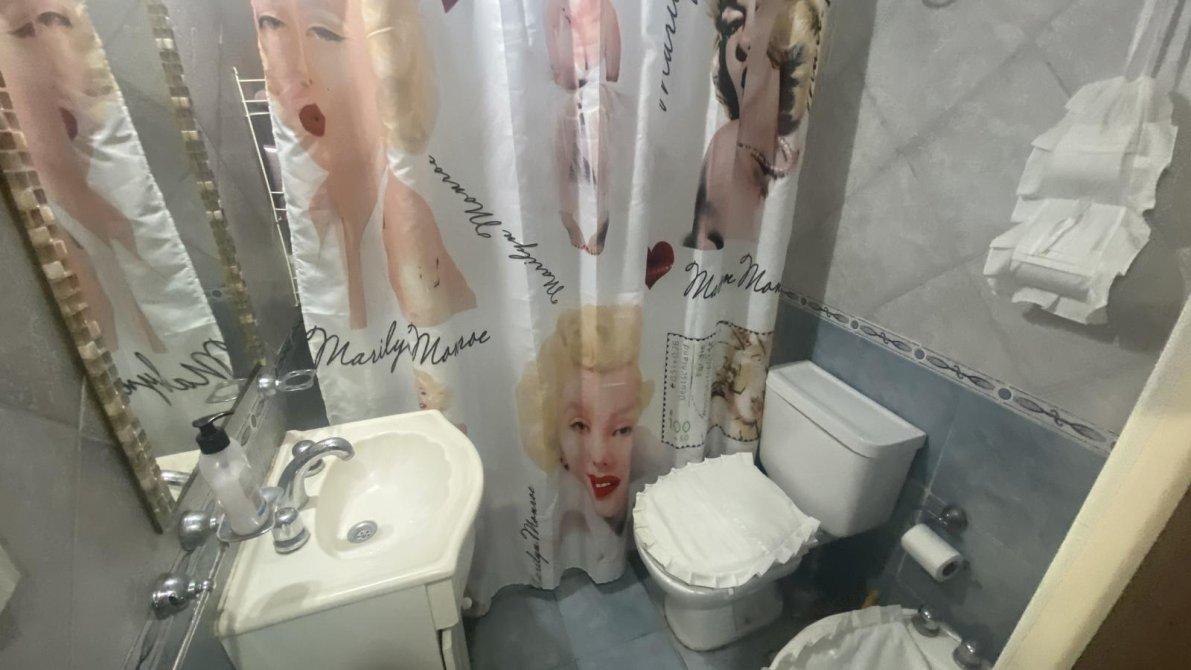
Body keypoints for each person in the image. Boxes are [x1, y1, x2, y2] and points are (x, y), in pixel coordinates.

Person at [251, 0, 474, 329]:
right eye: (272, 24)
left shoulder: (409, 222)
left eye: (323, 33)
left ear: (388, 60)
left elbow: (450, 328)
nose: (297, 71)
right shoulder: (319, 208)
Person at [0, 0, 164, 352]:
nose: (72, 77)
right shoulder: (48, 233)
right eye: (28, 29)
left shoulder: (108, 214)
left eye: (59, 23)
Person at [684, 0, 826, 250]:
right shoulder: (727, 147)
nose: (745, 41)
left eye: (762, 17)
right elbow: (704, 248)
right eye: (732, 25)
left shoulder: (791, 146)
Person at [545, 0, 621, 255]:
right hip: (570, 91)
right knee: (565, 132)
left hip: (591, 92)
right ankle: (574, 215)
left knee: (597, 138)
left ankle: (594, 217)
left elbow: (613, 69)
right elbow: (557, 65)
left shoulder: (606, 9)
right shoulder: (556, 6)